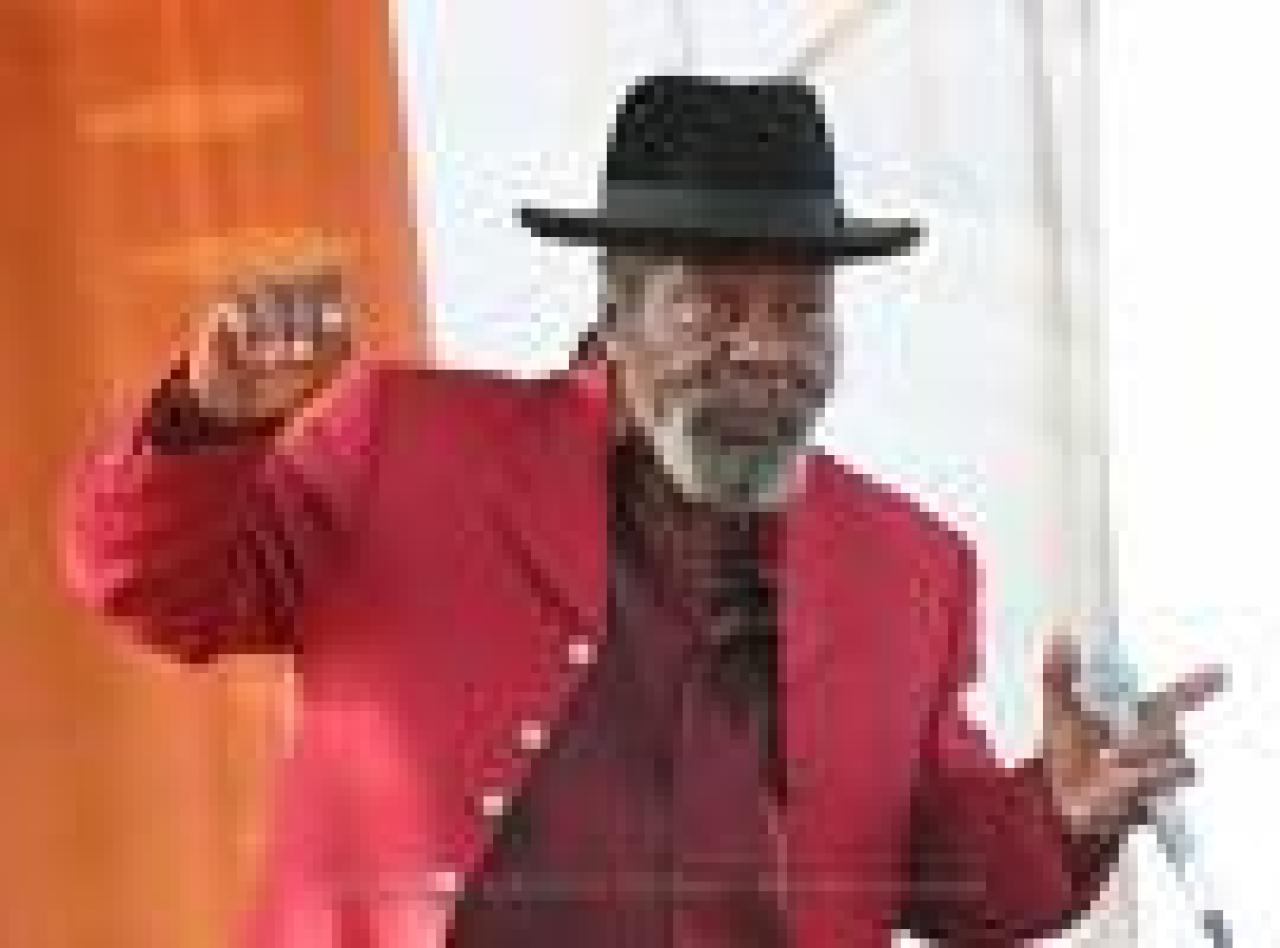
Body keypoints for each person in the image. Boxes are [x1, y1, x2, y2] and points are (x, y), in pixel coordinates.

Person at [59, 75, 1224, 947]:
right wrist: (211, 423)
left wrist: (1063, 811)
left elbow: (952, 868)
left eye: (801, 311)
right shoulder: (404, 448)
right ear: (614, 315)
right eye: (710, 307)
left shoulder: (909, 568)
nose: (764, 349)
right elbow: (152, 586)